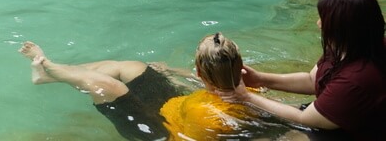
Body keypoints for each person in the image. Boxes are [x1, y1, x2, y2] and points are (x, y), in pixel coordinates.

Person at [18, 34, 280, 141]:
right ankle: (47, 75)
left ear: (201, 72)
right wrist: (171, 74)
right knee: (130, 67)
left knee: (106, 85)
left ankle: (50, 66)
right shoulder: (248, 88)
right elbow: (206, 91)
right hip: (176, 110)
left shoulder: (205, 114)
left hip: (163, 132)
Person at [222, 0, 385, 140]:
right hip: (331, 114)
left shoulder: (356, 79)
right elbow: (311, 80)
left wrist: (245, 97)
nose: (318, 23)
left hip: (342, 132)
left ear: (341, 28)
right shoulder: (354, 43)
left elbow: (305, 119)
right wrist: (260, 79)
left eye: (323, 18)